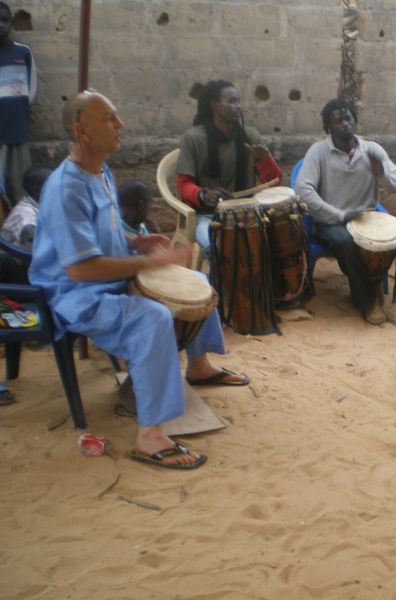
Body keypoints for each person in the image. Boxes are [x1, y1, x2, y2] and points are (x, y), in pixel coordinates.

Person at [29, 90, 250, 469]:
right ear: (83, 131)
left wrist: (137, 241)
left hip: (108, 278)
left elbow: (104, 232)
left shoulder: (100, 170)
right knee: (154, 318)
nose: (121, 125)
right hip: (77, 295)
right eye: (110, 119)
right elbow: (81, 268)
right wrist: (145, 265)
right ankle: (151, 437)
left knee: (193, 285)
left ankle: (198, 366)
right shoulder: (66, 189)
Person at [295, 98, 396, 333]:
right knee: (344, 240)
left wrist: (381, 173)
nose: (345, 124)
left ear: (355, 120)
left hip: (367, 218)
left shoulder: (372, 149)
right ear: (328, 127)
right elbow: (303, 190)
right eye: (338, 120)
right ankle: (367, 301)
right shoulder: (319, 152)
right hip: (331, 222)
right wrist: (339, 215)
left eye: (348, 118)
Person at [176, 79, 281, 256]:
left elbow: (275, 184)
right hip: (207, 215)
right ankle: (215, 285)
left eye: (238, 101)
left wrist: (263, 161)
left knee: (274, 242)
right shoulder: (192, 138)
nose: (238, 106)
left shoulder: (250, 135)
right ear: (214, 105)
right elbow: (183, 184)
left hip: (247, 213)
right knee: (213, 246)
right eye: (232, 101)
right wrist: (203, 193)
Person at [0, 2, 37, 206]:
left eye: (5, 20)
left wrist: (19, 111)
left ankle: (22, 222)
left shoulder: (22, 53)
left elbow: (31, 89)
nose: (0, 25)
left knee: (19, 183)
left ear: (12, 23)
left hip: (16, 127)